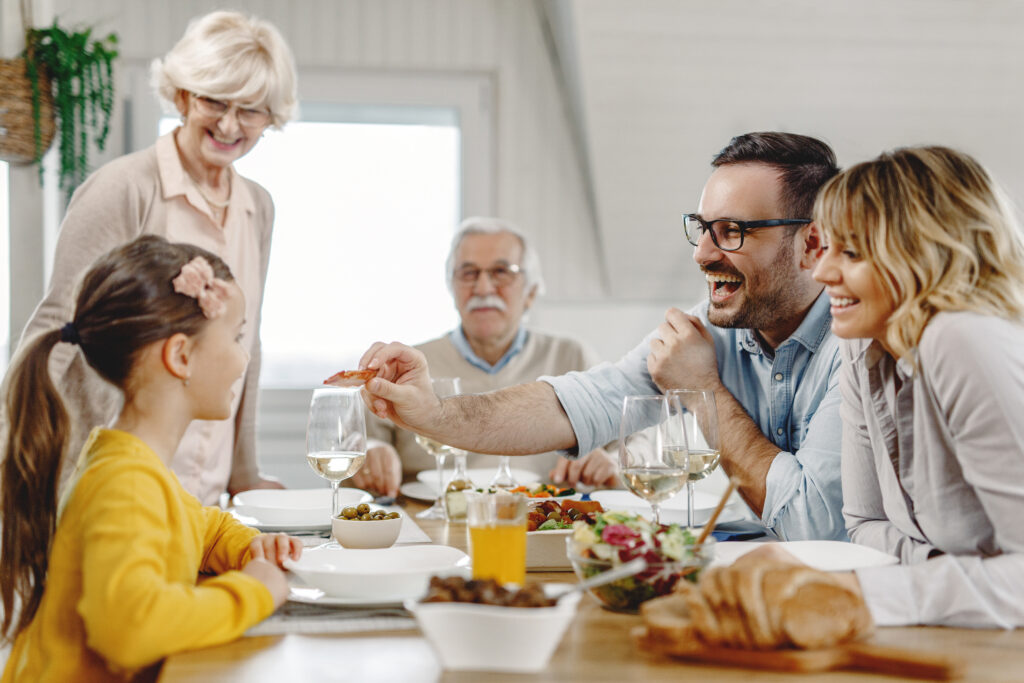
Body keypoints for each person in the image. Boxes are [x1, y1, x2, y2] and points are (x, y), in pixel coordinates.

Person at [360, 132, 847, 541]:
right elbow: (579, 403)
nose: (701, 253)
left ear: (811, 244)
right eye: (701, 229)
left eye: (732, 231)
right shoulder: (709, 327)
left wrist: (706, 393)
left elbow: (811, 526)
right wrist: (435, 413)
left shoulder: (856, 345)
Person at [8, 10, 298, 505]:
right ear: (183, 95)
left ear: (272, 117)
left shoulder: (259, 207)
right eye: (215, 101)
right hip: (108, 481)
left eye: (251, 109)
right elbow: (58, 324)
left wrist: (244, 474)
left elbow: (247, 339)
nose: (230, 124)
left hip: (203, 501)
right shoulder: (124, 188)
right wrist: (9, 451)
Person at [0, 236, 301, 682]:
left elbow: (205, 529)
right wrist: (255, 590)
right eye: (237, 337)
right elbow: (130, 630)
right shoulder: (125, 482)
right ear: (180, 355)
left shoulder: (134, 463)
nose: (244, 359)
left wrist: (250, 548)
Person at [806, 145, 1024, 626]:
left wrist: (849, 592)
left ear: (924, 254)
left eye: (852, 251)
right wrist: (957, 575)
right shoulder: (862, 343)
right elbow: (862, 525)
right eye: (826, 248)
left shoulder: (961, 337)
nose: (821, 272)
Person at [352, 217, 616, 496]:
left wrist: (612, 461)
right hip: (430, 525)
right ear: (451, 288)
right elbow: (354, 447)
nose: (483, 288)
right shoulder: (407, 366)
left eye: (502, 272)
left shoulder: (571, 357)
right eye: (468, 273)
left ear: (531, 292)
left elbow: (636, 442)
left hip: (546, 523)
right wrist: (370, 452)